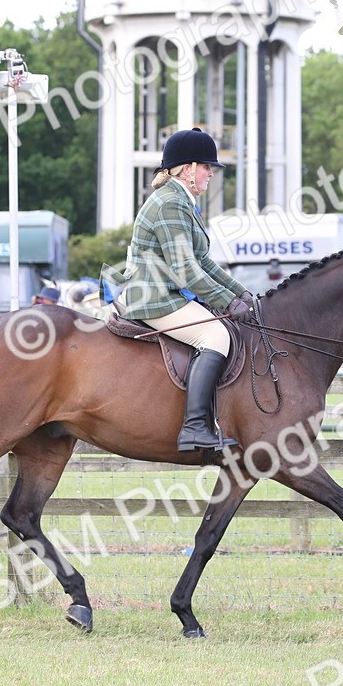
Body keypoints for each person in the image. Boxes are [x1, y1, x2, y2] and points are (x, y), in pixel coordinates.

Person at [116, 127, 254, 453]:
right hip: (153, 297)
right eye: (207, 167)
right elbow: (186, 270)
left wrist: (242, 294)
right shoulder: (170, 203)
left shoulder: (184, 202)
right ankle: (194, 428)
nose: (211, 174)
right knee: (216, 336)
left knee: (223, 329)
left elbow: (204, 261)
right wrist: (227, 303)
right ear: (188, 168)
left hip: (168, 294)